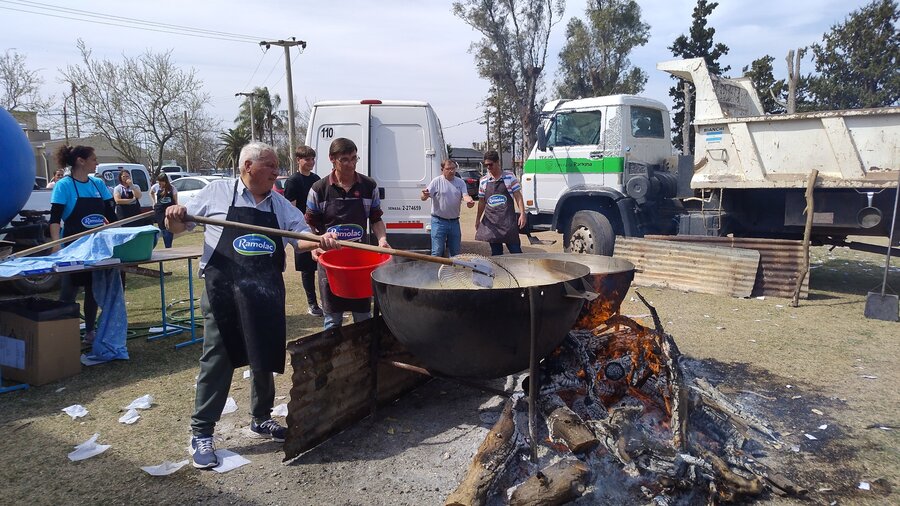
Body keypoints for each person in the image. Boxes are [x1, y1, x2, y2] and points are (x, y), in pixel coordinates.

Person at [165, 141, 339, 470]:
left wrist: (318, 241)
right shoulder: (217, 193)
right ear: (249, 167)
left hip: (264, 290)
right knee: (219, 357)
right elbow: (178, 226)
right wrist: (173, 216)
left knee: (264, 354)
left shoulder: (279, 205)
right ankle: (202, 431)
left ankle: (261, 418)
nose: (277, 171)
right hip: (223, 291)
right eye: (271, 165)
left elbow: (299, 236)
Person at [305, 138, 389, 330]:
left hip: (359, 262)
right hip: (331, 263)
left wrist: (382, 240)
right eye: (344, 159)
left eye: (354, 158)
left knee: (363, 317)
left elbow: (375, 219)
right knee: (332, 320)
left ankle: (365, 356)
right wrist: (315, 245)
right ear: (332, 159)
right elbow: (309, 224)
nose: (351, 164)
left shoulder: (369, 186)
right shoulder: (319, 189)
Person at [48, 145, 118, 345]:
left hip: (96, 247)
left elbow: (111, 217)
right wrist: (56, 245)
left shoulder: (97, 184)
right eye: (93, 159)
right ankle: (61, 333)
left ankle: (89, 331)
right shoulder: (64, 186)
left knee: (92, 289)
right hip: (73, 247)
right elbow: (55, 219)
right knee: (69, 290)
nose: (96, 162)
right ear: (80, 160)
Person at [283, 145, 323, 316]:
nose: (311, 162)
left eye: (313, 159)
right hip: (302, 229)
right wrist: (302, 228)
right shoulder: (293, 181)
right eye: (307, 159)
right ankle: (312, 303)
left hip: (318, 227)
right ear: (298, 160)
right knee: (307, 269)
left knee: (322, 265)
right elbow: (290, 209)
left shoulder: (317, 179)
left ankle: (325, 300)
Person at [474, 150, 526, 255]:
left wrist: (522, 214)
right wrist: (477, 219)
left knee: (516, 253)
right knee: (496, 255)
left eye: (490, 164)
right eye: (486, 165)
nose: (488, 167)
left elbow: (518, 196)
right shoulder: (483, 181)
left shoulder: (509, 177)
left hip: (508, 223)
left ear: (498, 162)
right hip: (492, 224)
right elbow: (481, 202)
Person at [421, 159, 475, 257]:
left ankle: (453, 272)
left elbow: (465, 196)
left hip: (454, 222)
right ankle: (434, 271)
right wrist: (424, 195)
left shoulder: (460, 182)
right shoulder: (436, 181)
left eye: (453, 168)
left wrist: (469, 201)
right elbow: (423, 197)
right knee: (437, 251)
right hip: (438, 221)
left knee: (455, 252)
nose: (451, 171)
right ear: (442, 169)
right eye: (448, 169)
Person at [149, 173, 178, 248]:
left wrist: (176, 209)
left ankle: (168, 246)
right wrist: (154, 202)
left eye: (162, 181)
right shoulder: (156, 187)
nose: (160, 183)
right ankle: (165, 245)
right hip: (159, 211)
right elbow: (151, 193)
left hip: (169, 211)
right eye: (159, 181)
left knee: (168, 228)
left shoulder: (172, 188)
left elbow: (175, 200)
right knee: (162, 228)